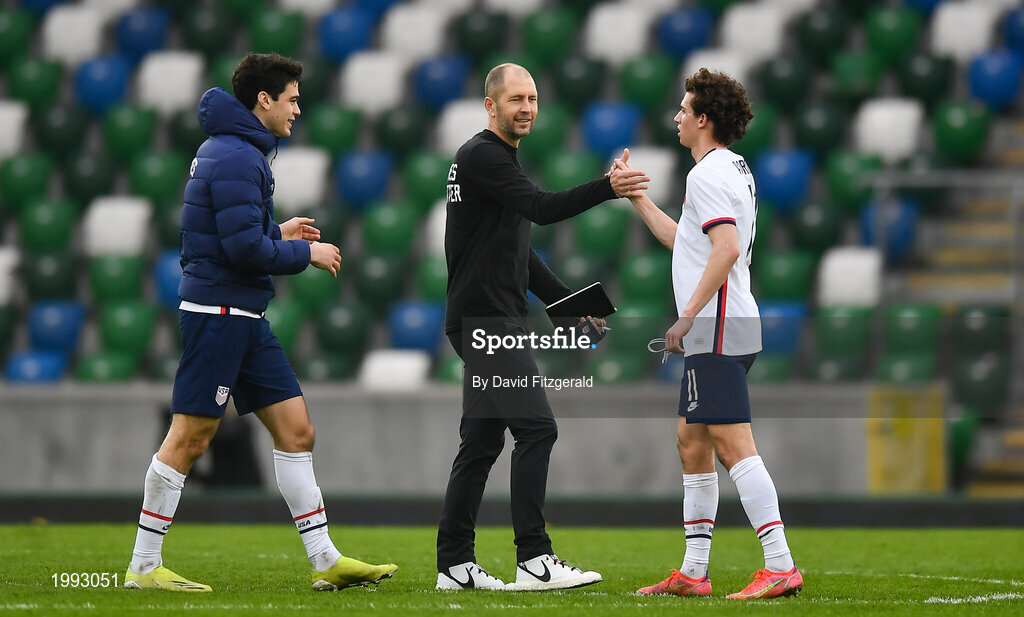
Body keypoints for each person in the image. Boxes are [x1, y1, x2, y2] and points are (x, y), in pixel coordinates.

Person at [123, 53, 397, 593]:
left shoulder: (236, 150)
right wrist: (304, 256)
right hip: (220, 313)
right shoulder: (236, 155)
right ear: (263, 101)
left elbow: (242, 234)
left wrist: (279, 231)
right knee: (191, 435)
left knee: (297, 430)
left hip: (244, 314)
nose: (299, 108)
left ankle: (325, 560)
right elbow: (243, 248)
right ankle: (143, 565)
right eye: (292, 99)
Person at [436, 63, 650, 592]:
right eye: (515, 99)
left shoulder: (492, 160)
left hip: (485, 316)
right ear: (491, 106)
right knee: (537, 429)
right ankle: (534, 559)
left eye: (532, 98)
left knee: (482, 443)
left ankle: (454, 564)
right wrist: (607, 187)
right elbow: (542, 209)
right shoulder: (483, 155)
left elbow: (518, 249)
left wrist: (569, 305)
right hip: (487, 321)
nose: (527, 107)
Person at [616, 68, 803, 599]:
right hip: (725, 323)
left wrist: (687, 315)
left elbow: (723, 250)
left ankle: (780, 564)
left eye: (683, 109)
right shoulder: (730, 169)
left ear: (703, 119)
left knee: (730, 442)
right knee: (692, 441)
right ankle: (694, 573)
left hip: (719, 325)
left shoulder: (706, 175)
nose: (676, 116)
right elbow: (692, 244)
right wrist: (637, 200)